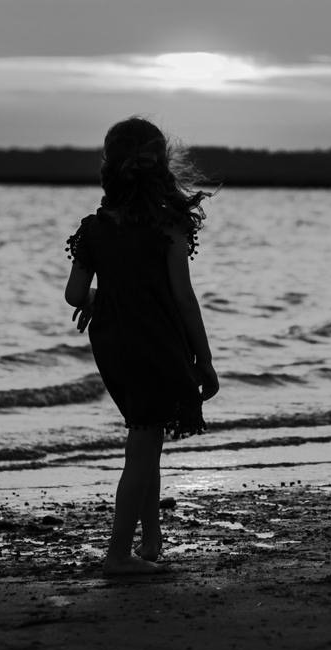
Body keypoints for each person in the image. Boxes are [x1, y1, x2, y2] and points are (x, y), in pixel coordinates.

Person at [64, 117, 218, 577]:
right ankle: (117, 555)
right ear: (160, 169)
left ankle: (150, 541)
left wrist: (100, 299)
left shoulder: (93, 228)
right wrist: (204, 360)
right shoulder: (168, 226)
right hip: (156, 339)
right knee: (144, 442)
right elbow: (183, 297)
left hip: (111, 341)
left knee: (145, 434)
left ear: (110, 167)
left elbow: (75, 296)